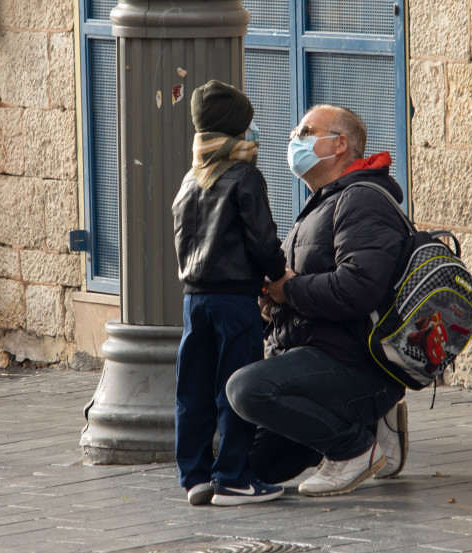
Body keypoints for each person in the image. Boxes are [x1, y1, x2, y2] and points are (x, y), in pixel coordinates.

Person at [225, 104, 410, 497]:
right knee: (249, 463)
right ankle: (371, 425)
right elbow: (305, 284)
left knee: (247, 390)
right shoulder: (322, 202)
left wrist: (288, 289)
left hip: (354, 364)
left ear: (340, 144)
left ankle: (354, 448)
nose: (294, 141)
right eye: (294, 134)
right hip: (309, 359)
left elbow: (357, 289)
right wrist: (274, 302)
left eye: (305, 133)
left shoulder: (363, 200)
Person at [170, 80, 288, 506]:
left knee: (193, 389)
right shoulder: (245, 176)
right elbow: (261, 238)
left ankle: (195, 477)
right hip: (235, 300)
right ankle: (234, 476)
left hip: (193, 299)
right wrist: (279, 274)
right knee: (233, 387)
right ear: (238, 130)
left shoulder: (190, 179)